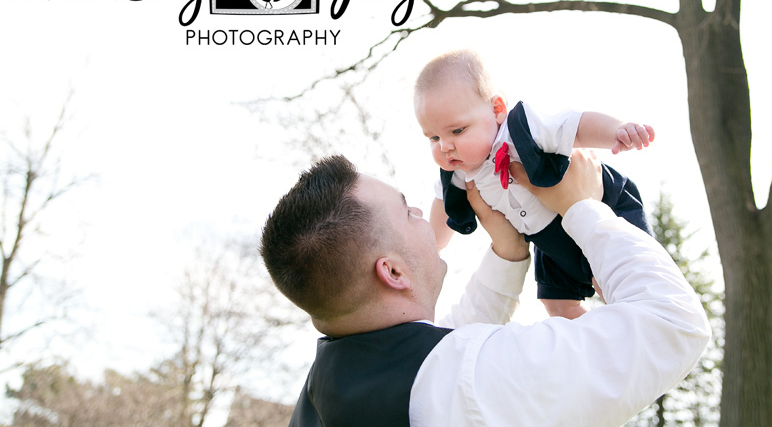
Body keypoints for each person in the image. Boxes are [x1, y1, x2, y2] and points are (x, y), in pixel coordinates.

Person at [260, 150, 711, 427]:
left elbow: (445, 352)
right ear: (392, 273)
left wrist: (508, 252)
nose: (422, 211)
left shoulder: (333, 388)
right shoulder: (461, 383)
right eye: (406, 210)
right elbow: (672, 324)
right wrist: (582, 209)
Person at [414, 49, 655, 318]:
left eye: (457, 131)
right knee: (558, 305)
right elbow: (442, 210)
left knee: (617, 279)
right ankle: (602, 349)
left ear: (497, 110)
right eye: (433, 138)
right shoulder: (457, 173)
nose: (446, 147)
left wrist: (617, 130)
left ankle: (644, 327)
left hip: (601, 204)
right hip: (549, 240)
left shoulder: (522, 130)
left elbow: (575, 126)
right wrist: (431, 250)